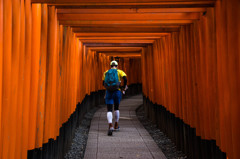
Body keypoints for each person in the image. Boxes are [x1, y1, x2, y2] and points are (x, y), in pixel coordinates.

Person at [102, 60, 128, 136]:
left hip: (109, 92)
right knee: (116, 108)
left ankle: (110, 125)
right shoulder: (119, 71)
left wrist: (108, 89)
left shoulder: (106, 72)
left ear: (110, 65)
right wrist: (123, 87)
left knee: (109, 109)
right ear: (117, 66)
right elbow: (125, 78)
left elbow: (103, 83)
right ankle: (116, 124)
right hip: (117, 91)